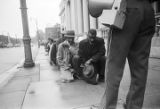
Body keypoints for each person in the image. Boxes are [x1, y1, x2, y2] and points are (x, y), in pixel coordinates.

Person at [99, 0, 156, 109]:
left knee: (114, 67)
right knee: (140, 68)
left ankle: (109, 106)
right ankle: (134, 106)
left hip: (127, 8)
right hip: (148, 9)